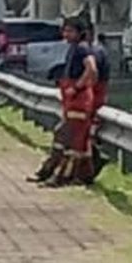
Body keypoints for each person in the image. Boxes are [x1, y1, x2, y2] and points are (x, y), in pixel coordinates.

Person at [30, 16, 99, 188]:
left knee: (72, 141)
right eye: (65, 30)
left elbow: (91, 69)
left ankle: (62, 177)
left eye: (70, 31)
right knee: (70, 137)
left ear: (80, 33)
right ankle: (83, 175)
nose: (65, 34)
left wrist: (76, 87)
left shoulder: (82, 49)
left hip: (79, 101)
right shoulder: (74, 49)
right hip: (72, 100)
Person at [88, 26, 111, 179]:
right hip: (97, 96)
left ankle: (92, 164)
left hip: (93, 97)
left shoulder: (94, 53)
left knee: (88, 133)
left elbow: (93, 75)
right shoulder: (99, 50)